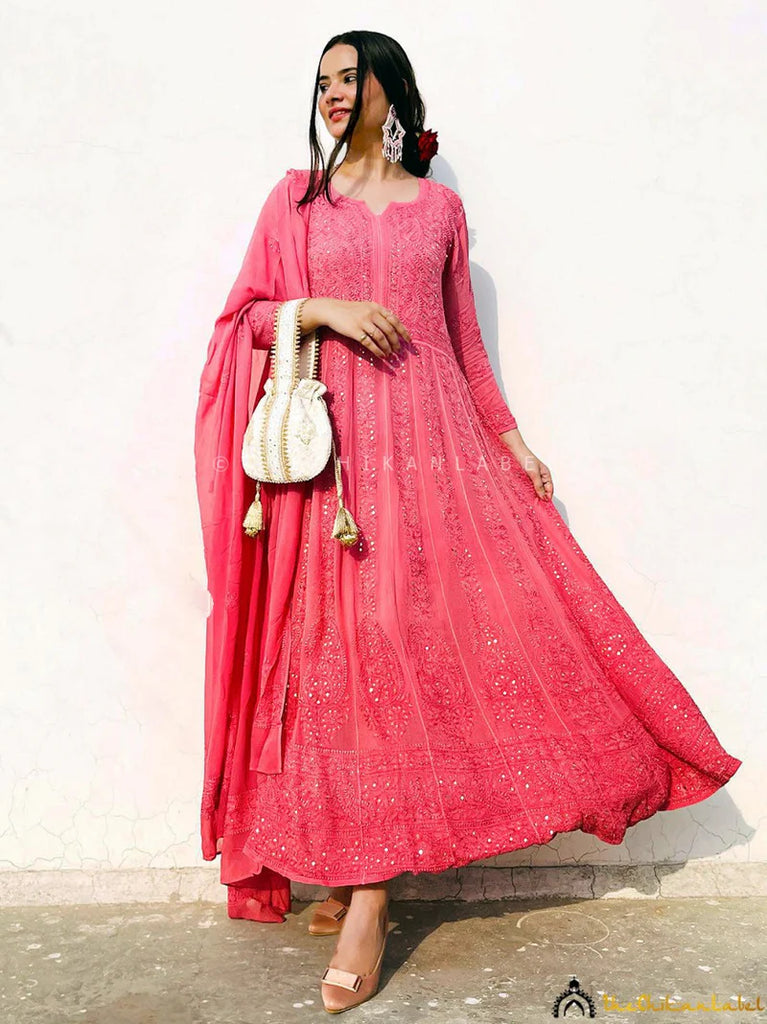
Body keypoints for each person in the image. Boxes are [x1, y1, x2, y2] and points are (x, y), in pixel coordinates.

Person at [193, 29, 743, 1014]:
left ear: (390, 89)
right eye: (320, 81)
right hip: (336, 479)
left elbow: (462, 349)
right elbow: (243, 323)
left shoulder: (439, 210)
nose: (331, 93)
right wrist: (320, 310)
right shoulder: (295, 200)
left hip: (434, 460)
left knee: (439, 650)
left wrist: (512, 442)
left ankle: (367, 889)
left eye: (349, 76)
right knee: (339, 664)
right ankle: (360, 881)